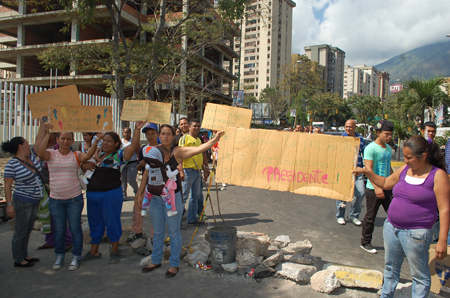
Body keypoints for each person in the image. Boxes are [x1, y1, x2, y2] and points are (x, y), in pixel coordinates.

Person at [352, 135, 450, 298]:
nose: (405, 160)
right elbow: (385, 183)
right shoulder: (405, 170)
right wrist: (366, 172)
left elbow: (445, 209)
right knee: (390, 268)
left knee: (419, 276)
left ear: (423, 156)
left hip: (416, 234)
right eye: (404, 156)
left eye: (409, 157)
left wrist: (442, 240)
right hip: (392, 229)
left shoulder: (437, 176)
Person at [137, 124, 224, 277]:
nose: (165, 136)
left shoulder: (177, 151)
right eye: (162, 134)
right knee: (157, 232)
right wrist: (140, 193)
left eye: (168, 134)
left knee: (174, 231)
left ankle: (174, 264)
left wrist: (215, 140)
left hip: (172, 198)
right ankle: (156, 260)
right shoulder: (154, 151)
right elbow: (147, 172)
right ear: (159, 135)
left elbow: (199, 149)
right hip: (155, 198)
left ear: (173, 136)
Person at [36, 124, 102, 271]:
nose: (65, 141)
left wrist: (96, 140)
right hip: (55, 200)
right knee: (59, 230)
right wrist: (47, 133)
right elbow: (39, 153)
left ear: (72, 141)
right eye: (62, 138)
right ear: (57, 140)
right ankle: (59, 256)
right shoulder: (50, 154)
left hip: (74, 199)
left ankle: (76, 256)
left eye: (68, 139)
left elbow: (88, 155)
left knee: (75, 229)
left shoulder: (76, 155)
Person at [82, 122, 144, 265]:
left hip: (111, 195)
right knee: (95, 224)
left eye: (109, 141)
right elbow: (83, 162)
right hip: (93, 195)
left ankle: (114, 250)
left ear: (117, 144)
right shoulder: (96, 154)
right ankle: (94, 251)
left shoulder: (120, 155)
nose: (105, 143)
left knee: (112, 222)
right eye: (104, 140)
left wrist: (136, 129)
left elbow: (133, 145)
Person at [32, 120, 73, 251]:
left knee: (57, 216)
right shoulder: (42, 146)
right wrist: (42, 124)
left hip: (55, 185)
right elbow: (38, 141)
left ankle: (68, 240)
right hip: (44, 184)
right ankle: (50, 240)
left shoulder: (59, 147)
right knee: (48, 215)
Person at [3, 137, 43, 267]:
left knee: (27, 229)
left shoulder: (30, 157)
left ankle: (24, 254)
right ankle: (18, 258)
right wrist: (9, 204)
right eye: (26, 142)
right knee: (20, 230)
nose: (28, 144)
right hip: (22, 200)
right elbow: (7, 186)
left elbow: (39, 139)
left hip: (34, 200)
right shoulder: (12, 164)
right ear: (20, 146)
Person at [360, 120, 394, 254]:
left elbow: (389, 168)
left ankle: (396, 243)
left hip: (388, 188)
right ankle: (365, 242)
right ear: (378, 133)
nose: (389, 137)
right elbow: (368, 171)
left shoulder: (389, 148)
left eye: (391, 134)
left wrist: (395, 183)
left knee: (394, 215)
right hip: (373, 189)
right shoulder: (371, 149)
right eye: (386, 134)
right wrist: (377, 187)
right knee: (370, 217)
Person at [127, 122, 159, 243]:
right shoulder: (143, 149)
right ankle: (137, 232)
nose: (150, 136)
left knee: (156, 212)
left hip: (158, 185)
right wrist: (141, 164)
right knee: (138, 207)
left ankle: (154, 236)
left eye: (153, 133)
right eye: (148, 134)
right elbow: (139, 166)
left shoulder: (163, 148)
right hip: (145, 183)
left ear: (157, 134)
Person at [179, 118, 210, 225]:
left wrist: (205, 168)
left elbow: (201, 155)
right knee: (183, 196)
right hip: (187, 171)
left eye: (198, 126)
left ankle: (192, 219)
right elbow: (179, 155)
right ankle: (177, 221)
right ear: (189, 127)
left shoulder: (198, 140)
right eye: (194, 126)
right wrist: (181, 171)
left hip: (197, 171)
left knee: (196, 196)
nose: (196, 128)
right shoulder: (185, 138)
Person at [335, 119, 366, 226]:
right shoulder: (341, 139)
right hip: (343, 171)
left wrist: (363, 169)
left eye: (350, 127)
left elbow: (364, 154)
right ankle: (340, 216)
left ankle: (354, 215)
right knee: (341, 195)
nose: (348, 129)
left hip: (357, 172)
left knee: (361, 193)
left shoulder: (360, 139)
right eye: (346, 126)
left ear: (355, 128)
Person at [142, 146, 179, 217]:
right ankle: (169, 211)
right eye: (167, 157)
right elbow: (170, 175)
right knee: (167, 199)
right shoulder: (165, 166)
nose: (168, 159)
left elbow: (146, 167)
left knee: (146, 198)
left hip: (150, 186)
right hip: (161, 187)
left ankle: (143, 210)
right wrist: (178, 170)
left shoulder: (150, 165)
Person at [121, 127, 139, 200]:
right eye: (125, 132)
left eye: (128, 132)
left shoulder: (133, 142)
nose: (126, 134)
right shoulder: (120, 142)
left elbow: (138, 152)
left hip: (132, 163)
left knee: (131, 179)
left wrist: (139, 162)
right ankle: (124, 195)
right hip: (123, 163)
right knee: (123, 180)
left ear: (130, 133)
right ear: (122, 133)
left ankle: (137, 191)